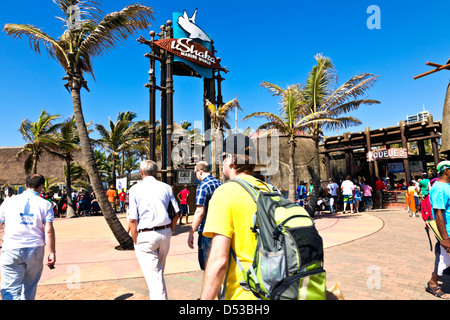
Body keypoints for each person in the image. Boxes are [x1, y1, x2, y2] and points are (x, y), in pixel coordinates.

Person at [200, 133, 273, 300]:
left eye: (223, 157)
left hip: (244, 293)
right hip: (275, 288)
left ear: (231, 159)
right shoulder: (269, 190)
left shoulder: (224, 193)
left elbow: (219, 261)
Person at [127, 160, 180, 300]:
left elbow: (132, 219)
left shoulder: (135, 189)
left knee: (155, 276)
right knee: (157, 273)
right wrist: (170, 231)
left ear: (141, 172)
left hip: (145, 235)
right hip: (164, 233)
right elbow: (176, 213)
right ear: (155, 172)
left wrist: (135, 238)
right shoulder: (166, 187)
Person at [0, 174, 56, 300]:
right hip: (35, 248)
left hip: (11, 248)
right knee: (29, 287)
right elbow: (49, 230)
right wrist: (51, 252)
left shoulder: (8, 201)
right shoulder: (46, 204)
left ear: (25, 186)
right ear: (41, 187)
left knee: (10, 289)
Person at [187, 161, 222, 270]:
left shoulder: (202, 186)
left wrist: (192, 231)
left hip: (207, 230)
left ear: (200, 171)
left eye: (196, 173)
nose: (196, 176)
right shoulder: (220, 184)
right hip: (221, 229)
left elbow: (199, 211)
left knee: (207, 265)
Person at [425, 161, 450, 299]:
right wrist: (445, 238)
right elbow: (439, 213)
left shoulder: (447, 186)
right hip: (447, 231)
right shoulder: (439, 188)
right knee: (443, 259)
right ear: (446, 171)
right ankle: (433, 283)